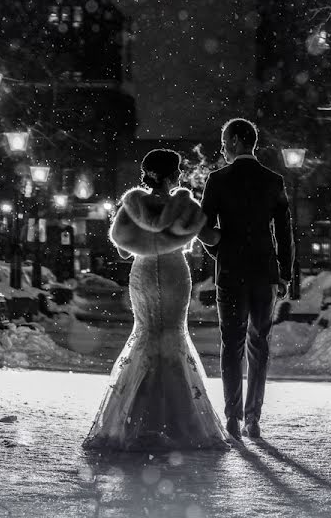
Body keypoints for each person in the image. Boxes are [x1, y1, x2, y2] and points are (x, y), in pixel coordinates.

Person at [82, 149, 229, 451]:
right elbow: (212, 239)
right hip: (175, 273)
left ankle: (136, 417)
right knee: (173, 336)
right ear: (173, 175)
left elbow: (123, 251)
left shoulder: (133, 206)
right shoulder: (183, 206)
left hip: (145, 273)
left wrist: (142, 240)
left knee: (146, 334)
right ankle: (177, 420)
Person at [200, 118, 294, 439]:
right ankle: (253, 418)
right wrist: (285, 273)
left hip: (230, 272)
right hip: (264, 273)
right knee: (259, 344)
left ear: (238, 141)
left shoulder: (217, 180)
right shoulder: (273, 180)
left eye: (225, 140)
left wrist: (222, 251)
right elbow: (284, 232)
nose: (222, 147)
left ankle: (232, 418)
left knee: (232, 343)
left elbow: (205, 230)